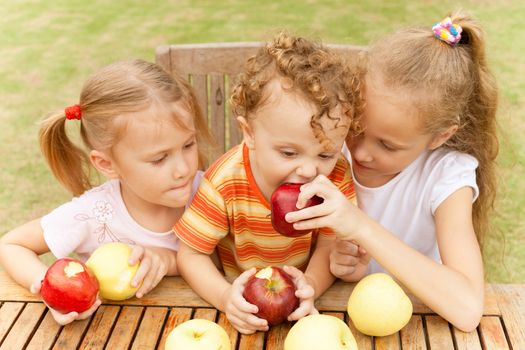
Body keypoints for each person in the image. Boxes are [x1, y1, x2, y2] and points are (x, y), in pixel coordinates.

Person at [285, 11, 498, 332]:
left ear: (440, 136)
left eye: (388, 146)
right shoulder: (328, 150)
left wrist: (360, 227)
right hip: (339, 319)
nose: (358, 151)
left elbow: (467, 308)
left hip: (417, 325)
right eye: (357, 128)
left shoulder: (446, 178)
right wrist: (340, 266)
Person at [174, 32, 363, 334]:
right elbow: (191, 254)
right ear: (249, 133)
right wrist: (226, 297)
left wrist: (311, 284)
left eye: (326, 152)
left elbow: (330, 244)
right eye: (288, 152)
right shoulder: (225, 181)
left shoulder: (335, 177)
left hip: (303, 310)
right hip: (242, 310)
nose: (309, 170)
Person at [0, 59, 212, 325]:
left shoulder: (210, 194)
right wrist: (50, 289)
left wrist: (168, 261)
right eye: (159, 159)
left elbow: (224, 260)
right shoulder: (94, 213)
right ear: (107, 164)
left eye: (188, 145)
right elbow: (12, 244)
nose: (183, 169)